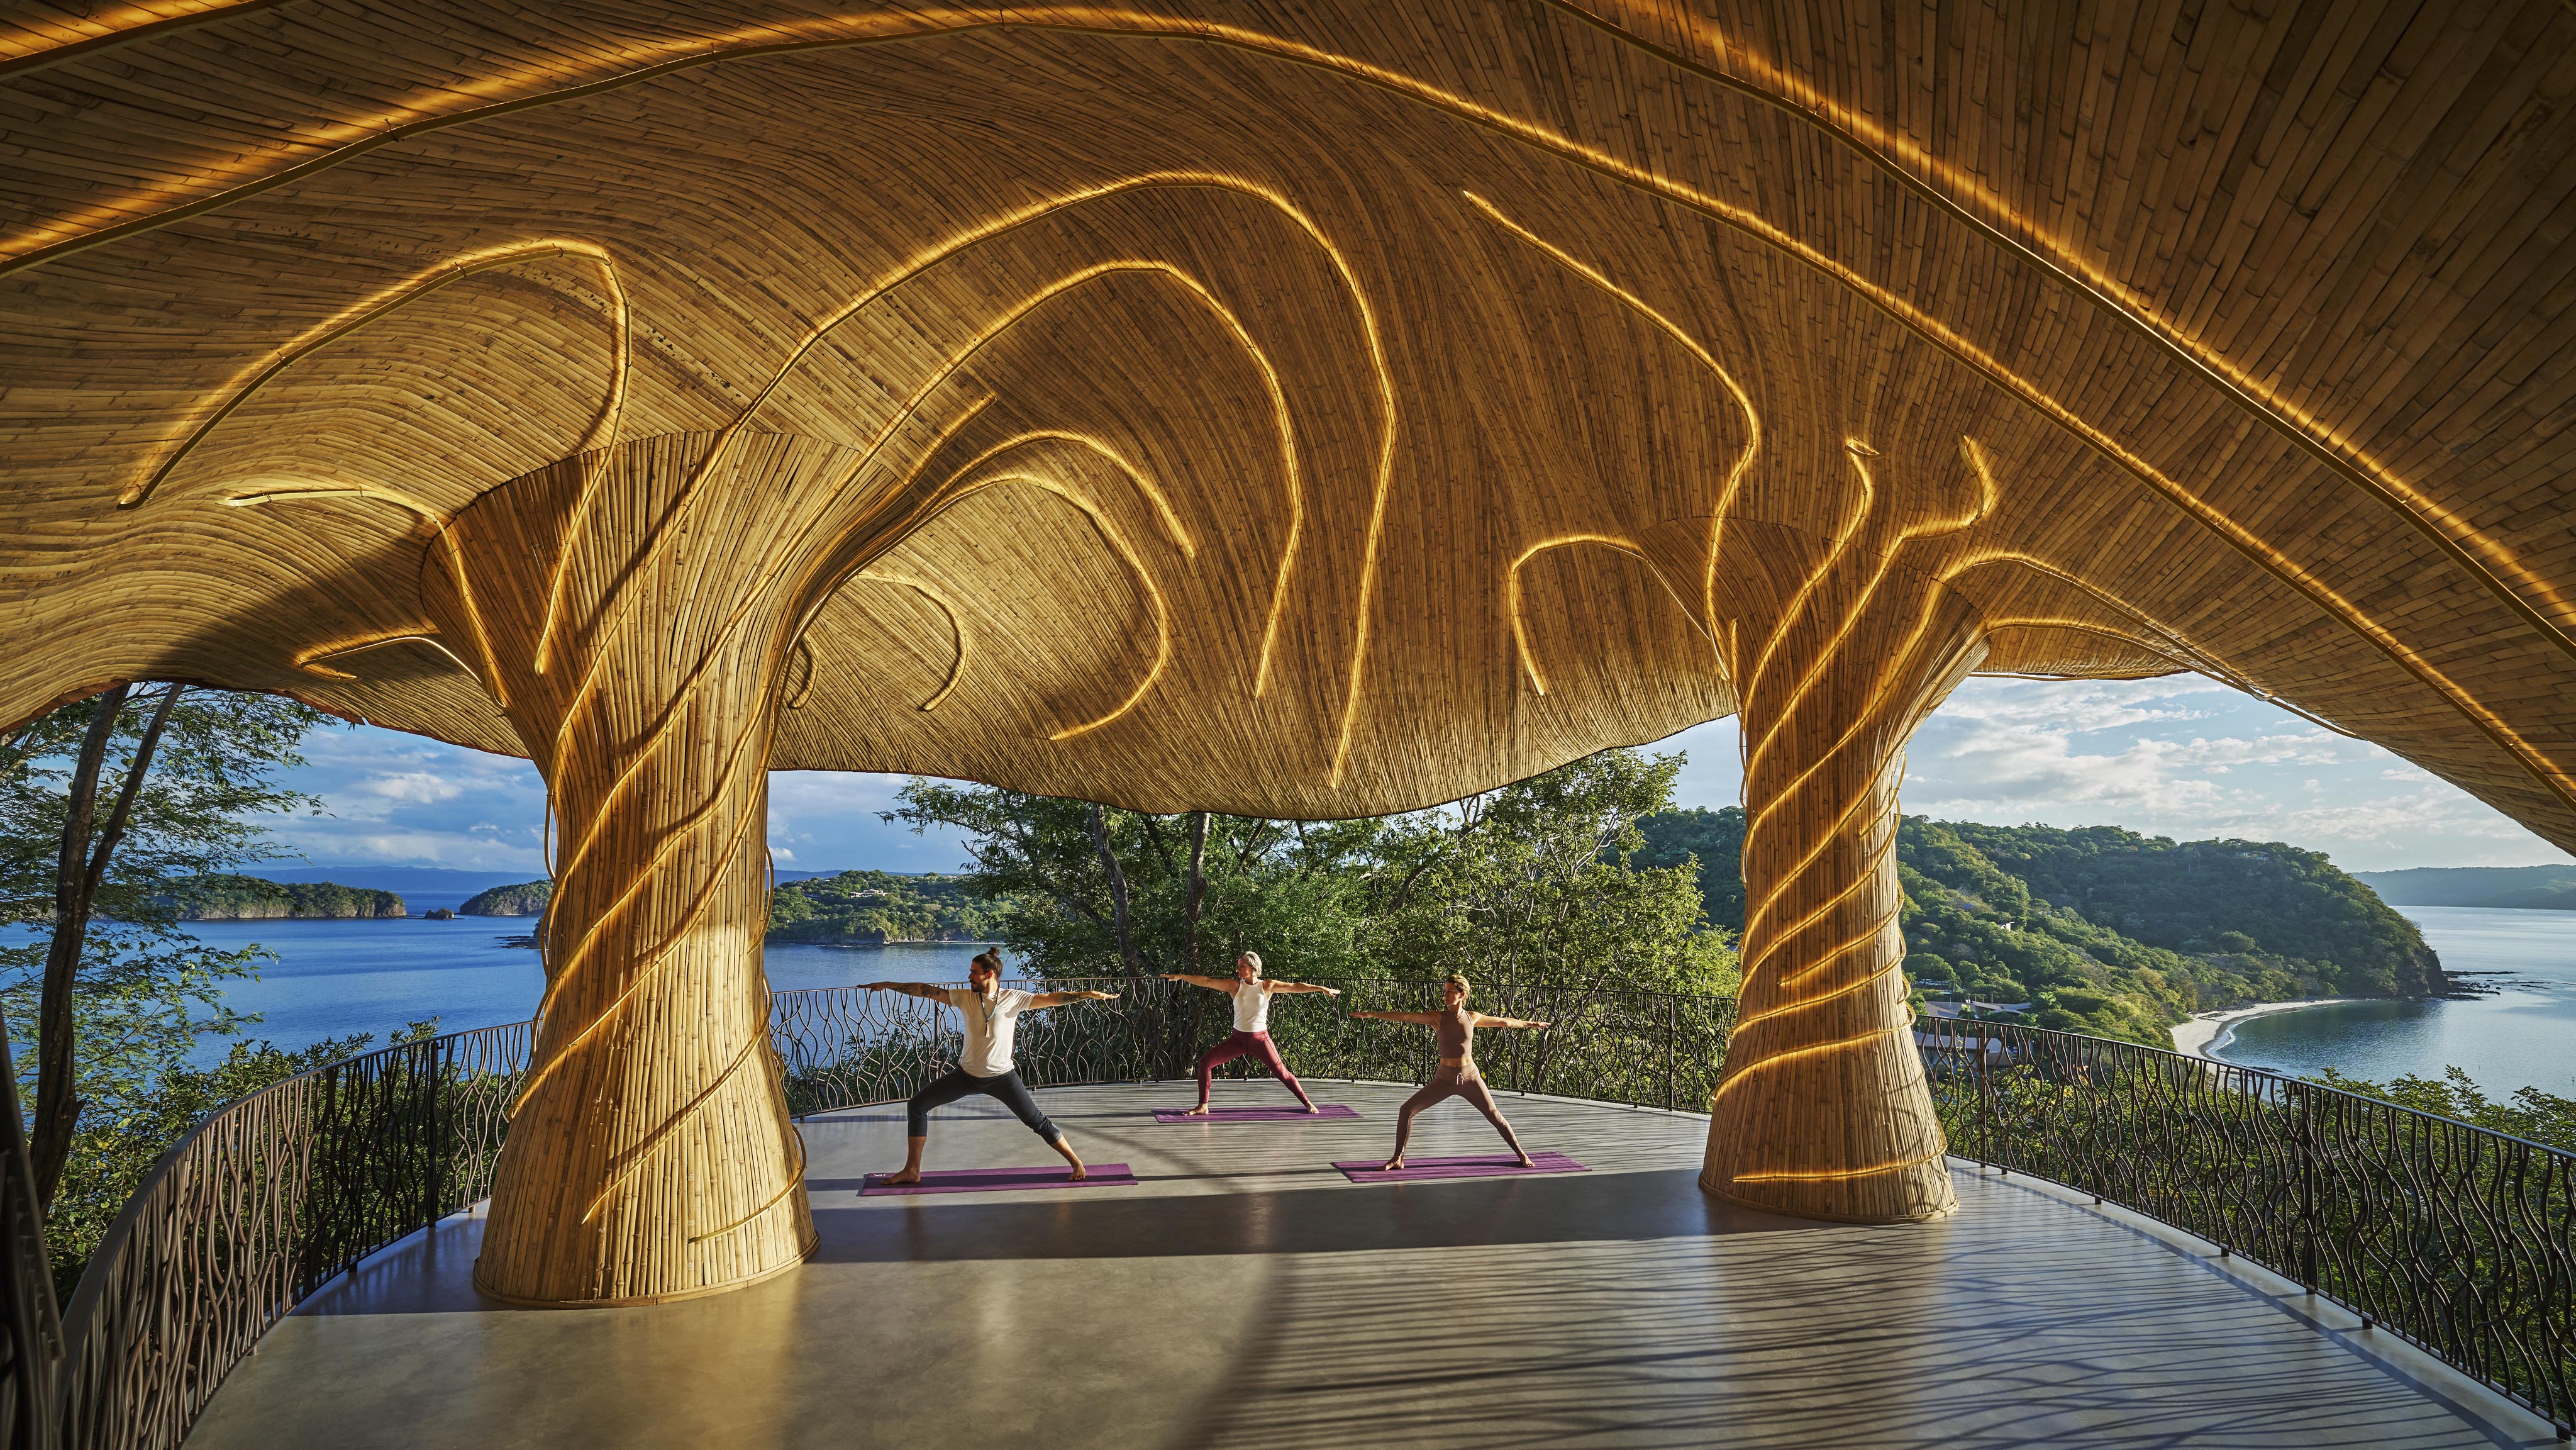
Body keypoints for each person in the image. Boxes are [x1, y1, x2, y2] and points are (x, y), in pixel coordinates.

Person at [865, 949, 1118, 1184]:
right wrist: (887, 984)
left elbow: (1052, 999)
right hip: (967, 1076)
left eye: (974, 972)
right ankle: (912, 1170)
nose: (969, 977)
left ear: (989, 975)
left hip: (1002, 1078)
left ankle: (1076, 1163)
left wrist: (1086, 995)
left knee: (1036, 1122)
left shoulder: (1013, 999)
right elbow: (924, 990)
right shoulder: (964, 998)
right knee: (917, 1106)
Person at [1350, 973, 1549, 1169]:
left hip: (1470, 1077)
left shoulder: (1473, 1017)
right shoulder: (1437, 1017)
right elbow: (1405, 1016)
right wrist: (1372, 1014)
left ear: (1462, 995)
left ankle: (1521, 1154)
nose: (1445, 995)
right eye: (1445, 991)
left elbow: (1504, 1022)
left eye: (1450, 991)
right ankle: (1398, 1158)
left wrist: (1529, 1024)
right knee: (1406, 1110)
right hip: (1444, 1080)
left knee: (1495, 1115)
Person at [1162, 951, 1341, 1114]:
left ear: (1253, 968)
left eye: (1242, 966)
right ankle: (1203, 1105)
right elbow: (1206, 981)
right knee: (1205, 1063)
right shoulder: (1234, 986)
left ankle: (1307, 1102)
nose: (1238, 969)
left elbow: (1295, 986)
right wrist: (1181, 977)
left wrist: (1322, 989)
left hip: (1260, 1040)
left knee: (1283, 1074)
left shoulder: (1267, 986)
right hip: (1237, 1039)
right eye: (1238, 966)